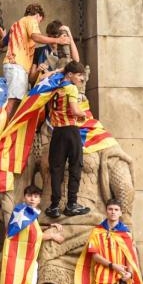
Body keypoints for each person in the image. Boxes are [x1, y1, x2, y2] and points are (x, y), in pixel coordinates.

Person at [0, 185, 67, 284]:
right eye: (29, 196)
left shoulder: (29, 214)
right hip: (17, 261)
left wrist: (49, 225)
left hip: (26, 262)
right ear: (24, 197)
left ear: (39, 199)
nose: (32, 199)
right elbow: (33, 236)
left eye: (35, 196)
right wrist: (53, 235)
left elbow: (32, 229)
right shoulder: (22, 211)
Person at [45, 63, 97, 217]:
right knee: (75, 166)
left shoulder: (53, 87)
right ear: (69, 75)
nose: (81, 78)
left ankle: (54, 206)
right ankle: (71, 204)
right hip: (71, 131)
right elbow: (74, 110)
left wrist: (59, 70)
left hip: (57, 133)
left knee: (56, 169)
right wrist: (84, 115)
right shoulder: (71, 88)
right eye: (79, 75)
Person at [0, 3, 70, 105]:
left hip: (12, 65)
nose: (38, 24)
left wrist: (3, 37)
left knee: (15, 101)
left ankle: (8, 120)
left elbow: (1, 44)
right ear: (38, 15)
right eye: (40, 21)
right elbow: (36, 36)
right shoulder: (31, 20)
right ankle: (8, 121)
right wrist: (58, 40)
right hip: (18, 66)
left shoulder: (16, 25)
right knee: (14, 102)